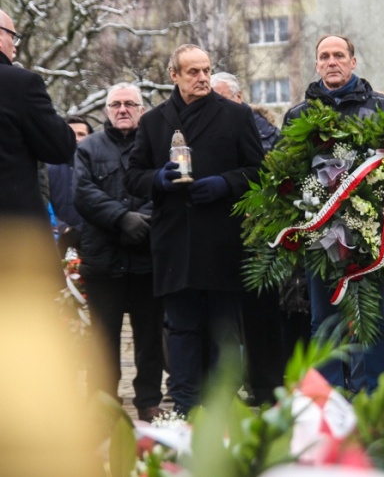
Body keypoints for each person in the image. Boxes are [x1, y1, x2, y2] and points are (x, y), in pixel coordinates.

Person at [125, 44, 265, 414]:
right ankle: (185, 406)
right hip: (176, 243)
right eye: (193, 72)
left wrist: (225, 183)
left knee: (223, 329)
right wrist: (158, 178)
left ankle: (221, 404)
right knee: (182, 329)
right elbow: (133, 177)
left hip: (221, 240)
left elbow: (259, 171)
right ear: (174, 75)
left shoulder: (236, 116)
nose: (202, 77)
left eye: (205, 70)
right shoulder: (155, 121)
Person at [284, 34, 384, 393]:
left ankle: (373, 399)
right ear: (316, 65)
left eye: (339, 55)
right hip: (321, 238)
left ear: (353, 62)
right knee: (325, 320)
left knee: (373, 319)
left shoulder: (382, 107)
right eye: (324, 56)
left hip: (371, 236)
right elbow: (283, 172)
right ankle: (330, 400)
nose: (331, 61)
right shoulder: (299, 115)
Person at [74, 83, 165, 422]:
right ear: (106, 110)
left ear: (142, 109)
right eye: (116, 104)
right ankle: (102, 405)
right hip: (104, 262)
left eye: (130, 103)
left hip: (147, 260)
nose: (123, 109)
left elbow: (166, 188)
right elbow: (82, 193)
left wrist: (142, 220)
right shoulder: (88, 148)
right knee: (102, 340)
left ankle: (149, 401)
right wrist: (121, 218)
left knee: (150, 339)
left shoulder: (157, 146)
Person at [210, 70, 284, 404]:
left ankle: (266, 386)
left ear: (239, 100)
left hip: (259, 238)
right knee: (221, 319)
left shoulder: (268, 135)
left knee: (261, 317)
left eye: (222, 97)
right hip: (219, 234)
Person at [0, 8, 76, 236]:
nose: (15, 46)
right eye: (13, 36)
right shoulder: (19, 83)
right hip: (15, 234)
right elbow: (60, 147)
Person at [48, 115, 93, 257]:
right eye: (71, 134)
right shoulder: (46, 166)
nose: (76, 138)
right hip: (54, 242)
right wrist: (63, 228)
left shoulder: (98, 167)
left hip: (93, 242)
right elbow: (40, 200)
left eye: (81, 134)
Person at [210, 71, 281, 153]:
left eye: (223, 100)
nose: (217, 107)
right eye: (212, 102)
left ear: (238, 96)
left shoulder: (269, 135)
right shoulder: (203, 131)